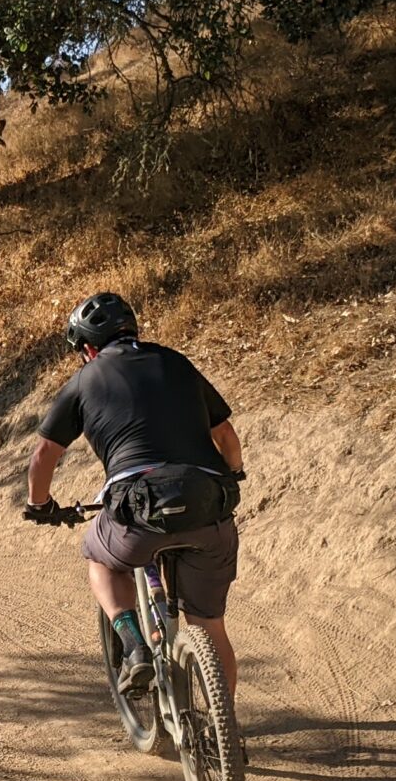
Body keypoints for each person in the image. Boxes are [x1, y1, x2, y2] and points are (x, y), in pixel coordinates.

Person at [23, 292, 244, 697]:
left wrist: (39, 504)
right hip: (206, 502)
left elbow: (44, 454)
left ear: (89, 348)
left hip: (137, 508)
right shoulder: (176, 362)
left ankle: (134, 642)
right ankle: (224, 726)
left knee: (99, 556)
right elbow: (226, 435)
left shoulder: (86, 379)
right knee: (210, 628)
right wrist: (234, 474)